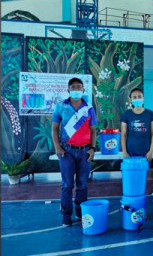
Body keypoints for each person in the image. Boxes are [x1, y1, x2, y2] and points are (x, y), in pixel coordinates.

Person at [52, 78, 97, 226]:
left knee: (82, 184)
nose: (76, 89)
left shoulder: (89, 108)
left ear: (83, 90)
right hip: (66, 151)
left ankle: (81, 213)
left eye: (79, 87)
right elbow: (54, 129)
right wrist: (58, 147)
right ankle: (66, 215)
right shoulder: (60, 106)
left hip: (84, 151)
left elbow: (93, 130)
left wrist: (92, 148)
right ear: (68, 90)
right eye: (73, 87)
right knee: (67, 185)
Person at [121, 88, 153, 161]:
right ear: (131, 100)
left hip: (146, 152)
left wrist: (151, 151)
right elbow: (123, 134)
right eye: (134, 97)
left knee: (144, 172)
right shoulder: (126, 114)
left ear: (143, 98)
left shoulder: (150, 114)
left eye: (139, 97)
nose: (137, 99)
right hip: (130, 152)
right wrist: (124, 152)